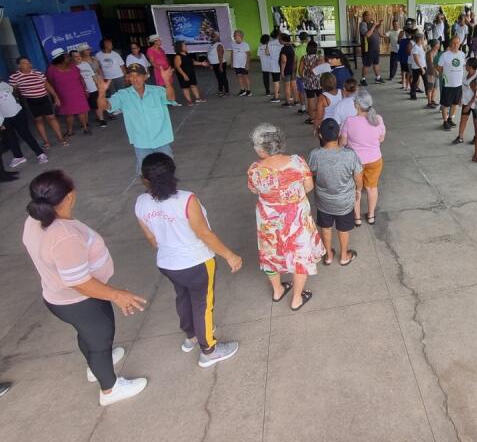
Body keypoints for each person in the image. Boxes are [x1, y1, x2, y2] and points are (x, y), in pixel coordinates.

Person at [22, 170, 148, 405]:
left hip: (58, 297)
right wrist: (117, 295)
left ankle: (96, 366)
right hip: (81, 301)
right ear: (69, 196)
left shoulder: (36, 219)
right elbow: (79, 282)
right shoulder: (64, 235)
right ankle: (110, 389)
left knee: (88, 334)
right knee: (100, 339)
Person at [135, 153, 241, 366]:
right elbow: (204, 234)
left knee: (183, 297)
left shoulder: (141, 202)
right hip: (196, 263)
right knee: (203, 305)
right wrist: (229, 255)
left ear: (144, 178)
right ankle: (209, 350)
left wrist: (170, 247)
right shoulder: (186, 199)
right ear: (172, 173)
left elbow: (151, 239)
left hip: (167, 264)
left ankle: (191, 336)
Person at [248, 123, 324, 311]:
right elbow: (309, 186)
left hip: (269, 220)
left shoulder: (255, 169)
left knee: (269, 254)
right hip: (296, 219)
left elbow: (253, 189)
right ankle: (297, 299)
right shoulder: (298, 162)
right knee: (300, 255)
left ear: (262, 150)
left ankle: (277, 290)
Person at [97, 63, 178, 174]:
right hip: (141, 141)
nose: (135, 79)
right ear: (128, 78)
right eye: (131, 76)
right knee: (144, 172)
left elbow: (171, 98)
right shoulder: (123, 95)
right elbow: (104, 106)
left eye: (138, 75)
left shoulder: (157, 91)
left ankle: (168, 189)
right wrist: (101, 92)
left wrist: (167, 82)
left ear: (145, 76)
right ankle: (151, 191)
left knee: (168, 169)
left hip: (162, 139)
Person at [308, 118, 363, 266]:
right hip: (344, 200)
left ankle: (328, 256)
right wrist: (358, 190)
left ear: (320, 136)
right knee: (343, 228)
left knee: (325, 227)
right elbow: (358, 177)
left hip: (323, 200)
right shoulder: (350, 155)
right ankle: (344, 256)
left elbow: (311, 175)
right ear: (338, 134)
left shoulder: (315, 155)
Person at [340, 89, 386, 226]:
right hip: (375, 159)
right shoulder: (378, 119)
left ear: (357, 105)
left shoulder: (349, 121)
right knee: (372, 188)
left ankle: (357, 218)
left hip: (355, 162)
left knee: (356, 190)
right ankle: (371, 216)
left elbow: (342, 142)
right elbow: (381, 139)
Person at [8, 57, 66, 147]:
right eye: (25, 63)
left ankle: (61, 138)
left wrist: (55, 96)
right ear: (19, 65)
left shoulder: (38, 73)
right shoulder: (14, 77)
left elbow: (47, 85)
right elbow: (13, 91)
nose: (28, 64)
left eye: (29, 62)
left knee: (52, 118)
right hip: (30, 101)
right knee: (38, 121)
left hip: (44, 99)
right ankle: (46, 141)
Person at [0, 79, 48, 167]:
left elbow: (11, 90)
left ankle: (40, 154)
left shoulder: (3, 85)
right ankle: (18, 157)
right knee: (10, 138)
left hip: (17, 113)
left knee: (26, 134)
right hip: (4, 118)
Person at [46, 48, 90, 137]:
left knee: (81, 111)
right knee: (69, 113)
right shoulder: (51, 69)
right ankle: (70, 131)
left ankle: (85, 128)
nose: (68, 58)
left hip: (78, 92)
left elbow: (81, 78)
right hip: (64, 95)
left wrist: (85, 89)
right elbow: (49, 83)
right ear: (60, 58)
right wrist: (54, 96)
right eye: (66, 56)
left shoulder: (73, 66)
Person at [437, 37, 466, 130]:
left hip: (458, 84)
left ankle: (450, 119)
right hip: (448, 84)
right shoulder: (445, 55)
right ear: (450, 44)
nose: (456, 45)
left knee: (454, 103)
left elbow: (463, 67)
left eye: (457, 43)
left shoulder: (462, 54)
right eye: (454, 43)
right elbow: (439, 67)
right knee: (445, 104)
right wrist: (446, 75)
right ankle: (445, 121)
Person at [71, 49, 106, 127]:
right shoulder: (72, 68)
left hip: (93, 88)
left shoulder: (85, 64)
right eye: (75, 57)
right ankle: (85, 123)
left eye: (79, 56)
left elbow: (93, 75)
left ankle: (101, 120)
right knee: (84, 108)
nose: (78, 58)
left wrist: (97, 84)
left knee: (97, 104)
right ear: (72, 58)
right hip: (81, 90)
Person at [453, 57, 477, 145]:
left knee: (476, 122)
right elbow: (463, 88)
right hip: (465, 102)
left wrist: (469, 105)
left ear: (471, 66)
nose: (465, 66)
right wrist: (460, 98)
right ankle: (460, 137)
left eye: (466, 64)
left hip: (475, 104)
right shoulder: (466, 75)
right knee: (463, 119)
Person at [174, 41, 208, 106]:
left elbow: (192, 62)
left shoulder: (187, 54)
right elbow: (177, 67)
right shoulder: (178, 56)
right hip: (183, 74)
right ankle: (189, 101)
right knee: (185, 87)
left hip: (191, 73)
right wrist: (184, 75)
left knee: (193, 85)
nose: (186, 46)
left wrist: (201, 63)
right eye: (184, 45)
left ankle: (198, 99)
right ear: (179, 47)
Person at [359, 11, 386, 85]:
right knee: (367, 65)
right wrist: (374, 25)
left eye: (371, 15)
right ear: (364, 17)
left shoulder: (371, 24)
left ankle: (378, 78)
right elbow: (367, 35)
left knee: (376, 63)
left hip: (375, 48)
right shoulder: (363, 24)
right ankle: (363, 79)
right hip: (368, 48)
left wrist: (379, 23)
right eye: (369, 15)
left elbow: (377, 29)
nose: (371, 16)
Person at [300, 41, 323, 123]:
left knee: (310, 100)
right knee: (320, 100)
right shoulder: (319, 58)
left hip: (308, 82)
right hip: (318, 82)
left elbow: (300, 70)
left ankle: (311, 118)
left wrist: (304, 77)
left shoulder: (304, 57)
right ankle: (320, 117)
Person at [207, 33, 230, 97]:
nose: (213, 37)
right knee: (218, 78)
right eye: (212, 36)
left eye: (214, 36)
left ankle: (227, 91)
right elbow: (208, 55)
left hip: (220, 64)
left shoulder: (219, 45)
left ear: (218, 38)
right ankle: (220, 90)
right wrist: (210, 64)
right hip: (214, 64)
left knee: (223, 78)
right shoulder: (211, 46)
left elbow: (220, 56)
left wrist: (220, 65)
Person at [230, 29, 252, 96]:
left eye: (236, 35)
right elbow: (232, 53)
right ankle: (243, 90)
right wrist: (231, 62)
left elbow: (248, 55)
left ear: (241, 36)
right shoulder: (233, 44)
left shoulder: (245, 44)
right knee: (239, 76)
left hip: (243, 64)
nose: (235, 36)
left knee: (245, 77)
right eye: (234, 35)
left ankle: (248, 90)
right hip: (236, 64)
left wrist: (247, 64)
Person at [279, 33, 297, 106]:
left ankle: (288, 101)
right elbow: (295, 58)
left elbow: (283, 61)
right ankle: (296, 100)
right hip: (292, 69)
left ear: (283, 40)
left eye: (280, 39)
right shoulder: (292, 47)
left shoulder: (284, 49)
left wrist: (282, 72)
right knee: (294, 86)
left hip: (286, 70)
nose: (279, 41)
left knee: (287, 86)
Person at [409, 32, 427, 101]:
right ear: (419, 39)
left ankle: (428, 94)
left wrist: (424, 45)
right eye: (423, 38)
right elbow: (416, 59)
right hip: (417, 67)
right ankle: (413, 94)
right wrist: (421, 68)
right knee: (415, 81)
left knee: (425, 81)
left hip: (423, 66)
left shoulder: (421, 46)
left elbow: (424, 53)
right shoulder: (415, 48)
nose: (424, 40)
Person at [266, 29, 283, 101]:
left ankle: (276, 97)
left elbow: (267, 53)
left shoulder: (270, 43)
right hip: (283, 64)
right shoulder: (283, 43)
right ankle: (289, 96)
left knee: (276, 81)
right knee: (287, 81)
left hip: (274, 65)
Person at [425, 39, 440, 109]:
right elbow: (431, 63)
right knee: (430, 88)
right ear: (434, 45)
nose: (439, 46)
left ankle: (432, 100)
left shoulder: (436, 51)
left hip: (436, 73)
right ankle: (429, 103)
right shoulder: (429, 53)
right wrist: (436, 71)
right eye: (438, 44)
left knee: (435, 88)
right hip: (431, 73)